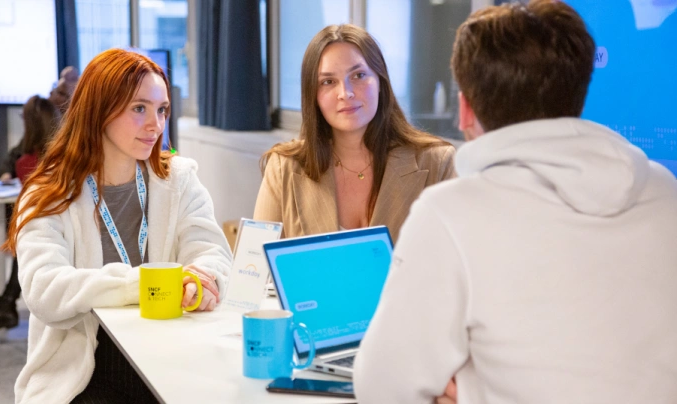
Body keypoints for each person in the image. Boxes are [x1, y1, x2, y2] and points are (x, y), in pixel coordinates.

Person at [354, 1, 677, 403]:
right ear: (578, 92)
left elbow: (383, 388)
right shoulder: (664, 192)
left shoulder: (451, 213)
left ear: (465, 109)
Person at [6, 48, 232, 403]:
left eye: (162, 110)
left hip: (171, 353)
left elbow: (213, 253)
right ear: (99, 110)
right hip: (85, 367)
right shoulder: (49, 191)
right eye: (138, 108)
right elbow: (44, 289)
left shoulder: (180, 179)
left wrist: (200, 280)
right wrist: (142, 284)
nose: (155, 124)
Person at [253, 24, 455, 243]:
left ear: (380, 81)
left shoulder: (437, 162)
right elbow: (255, 271)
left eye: (358, 75)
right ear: (313, 94)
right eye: (328, 82)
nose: (345, 93)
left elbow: (459, 266)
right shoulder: (283, 168)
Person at [0, 95, 60, 334]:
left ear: (31, 124)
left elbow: (17, 164)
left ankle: (2, 305)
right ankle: (3, 305)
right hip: (50, 226)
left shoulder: (29, 160)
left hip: (46, 229)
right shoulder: (62, 152)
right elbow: (9, 162)